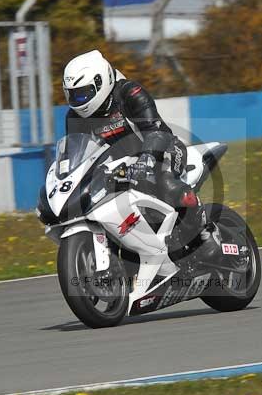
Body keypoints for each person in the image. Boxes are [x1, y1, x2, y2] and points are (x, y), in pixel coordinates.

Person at [61, 50, 221, 262]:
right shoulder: (74, 116)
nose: (78, 100)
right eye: (72, 94)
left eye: (83, 93)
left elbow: (155, 129)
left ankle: (205, 231)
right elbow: (76, 152)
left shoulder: (130, 93)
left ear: (101, 83)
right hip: (121, 166)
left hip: (163, 148)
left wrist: (147, 159)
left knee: (163, 180)